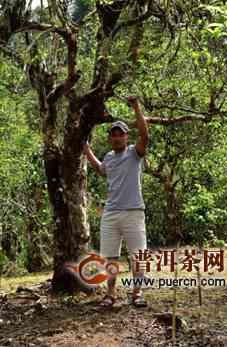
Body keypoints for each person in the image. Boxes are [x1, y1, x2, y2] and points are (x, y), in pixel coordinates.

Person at [83, 96, 149, 308]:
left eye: (121, 134)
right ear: (110, 138)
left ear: (127, 137)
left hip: (133, 212)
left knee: (138, 255)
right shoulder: (109, 157)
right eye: (114, 135)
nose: (118, 138)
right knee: (110, 257)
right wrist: (86, 150)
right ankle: (110, 295)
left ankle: (137, 294)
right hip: (110, 214)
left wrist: (136, 108)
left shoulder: (134, 153)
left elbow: (145, 135)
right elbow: (100, 169)